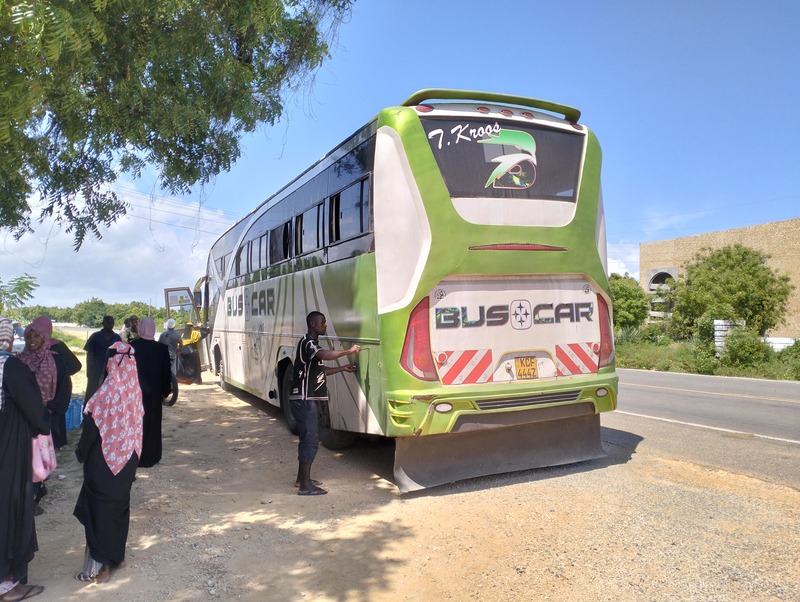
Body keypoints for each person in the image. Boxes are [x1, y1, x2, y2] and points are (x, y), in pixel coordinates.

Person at [73, 341, 143, 584]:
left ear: (111, 361)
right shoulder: (134, 388)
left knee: (99, 510)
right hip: (128, 460)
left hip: (104, 462)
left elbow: (91, 430)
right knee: (119, 507)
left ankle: (102, 565)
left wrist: (81, 452)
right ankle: (118, 557)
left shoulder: (107, 390)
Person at [0, 317, 49, 601]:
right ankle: (8, 586)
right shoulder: (12, 367)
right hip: (10, 452)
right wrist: (44, 426)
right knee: (10, 511)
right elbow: (35, 411)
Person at [289, 311, 360, 496]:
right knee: (311, 440)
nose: (325, 326)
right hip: (304, 399)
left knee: (307, 439)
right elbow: (325, 355)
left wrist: (343, 368)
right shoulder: (309, 343)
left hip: (304, 399)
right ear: (313, 323)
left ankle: (301, 479)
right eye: (322, 323)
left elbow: (321, 370)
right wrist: (348, 351)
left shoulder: (311, 345)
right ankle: (305, 486)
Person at [130, 318, 172, 468]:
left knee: (136, 424)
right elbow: (166, 373)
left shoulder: (131, 347)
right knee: (152, 425)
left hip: (134, 394)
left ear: (141, 328)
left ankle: (135, 457)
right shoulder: (161, 349)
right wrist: (164, 392)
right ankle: (152, 456)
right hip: (153, 394)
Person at [83, 316, 121, 403]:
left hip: (111, 372)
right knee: (91, 393)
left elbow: (120, 356)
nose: (110, 325)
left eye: (112, 323)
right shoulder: (95, 337)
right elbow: (89, 354)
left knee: (108, 395)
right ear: (103, 323)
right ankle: (88, 414)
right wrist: (89, 370)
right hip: (96, 370)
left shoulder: (117, 338)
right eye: (108, 323)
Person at [157, 318, 181, 406]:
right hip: (172, 356)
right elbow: (181, 343)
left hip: (163, 357)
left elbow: (158, 344)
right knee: (172, 372)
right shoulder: (177, 335)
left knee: (162, 373)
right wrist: (178, 350)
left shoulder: (162, 334)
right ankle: (170, 386)